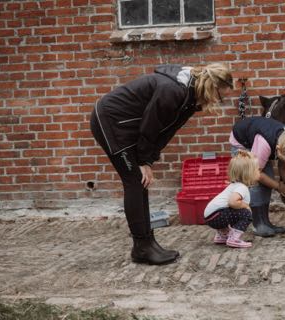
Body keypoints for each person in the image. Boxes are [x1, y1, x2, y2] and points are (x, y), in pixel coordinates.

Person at [90, 63, 233, 265]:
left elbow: (166, 132)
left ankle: (147, 242)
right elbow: (151, 125)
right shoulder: (173, 91)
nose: (218, 101)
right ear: (212, 86)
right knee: (134, 181)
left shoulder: (189, 99)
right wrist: (142, 161)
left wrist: (147, 160)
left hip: (128, 126)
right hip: (110, 122)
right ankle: (141, 246)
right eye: (220, 96)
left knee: (142, 182)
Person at [230, 116, 285, 237]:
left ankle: (266, 222)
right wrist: (278, 186)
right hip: (242, 143)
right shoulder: (265, 145)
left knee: (268, 180)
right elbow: (255, 174)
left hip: (259, 141)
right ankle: (258, 224)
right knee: (255, 183)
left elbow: (283, 166)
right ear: (279, 150)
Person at [203, 150, 260, 248]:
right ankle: (234, 239)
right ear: (249, 174)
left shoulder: (234, 185)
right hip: (217, 215)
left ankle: (222, 235)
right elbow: (232, 202)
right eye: (258, 170)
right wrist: (246, 206)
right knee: (246, 214)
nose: (259, 172)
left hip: (209, 217)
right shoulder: (242, 187)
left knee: (235, 211)